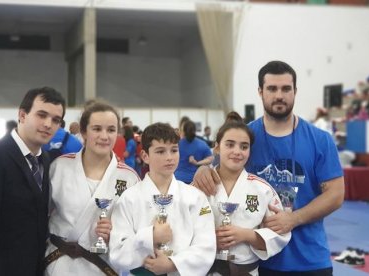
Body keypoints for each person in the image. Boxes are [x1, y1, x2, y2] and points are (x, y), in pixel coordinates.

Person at [193, 61, 344, 275]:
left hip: (309, 258)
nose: (279, 95)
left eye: (286, 88)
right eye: (272, 89)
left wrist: (294, 218)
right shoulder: (246, 138)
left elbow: (336, 195)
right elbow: (220, 168)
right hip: (257, 261)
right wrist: (204, 169)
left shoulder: (320, 139)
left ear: (295, 91)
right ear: (260, 92)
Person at [0, 87, 65, 276]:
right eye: (41, 115)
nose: (48, 124)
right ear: (22, 115)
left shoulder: (45, 159)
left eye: (55, 120)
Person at [44, 100, 140, 276]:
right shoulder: (59, 167)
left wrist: (116, 233)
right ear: (83, 132)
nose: (104, 136)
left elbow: (137, 230)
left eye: (111, 130)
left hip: (103, 266)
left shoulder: (129, 177)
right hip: (59, 265)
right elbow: (40, 216)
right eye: (97, 129)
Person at [109, 122, 216, 276]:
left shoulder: (195, 197)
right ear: (145, 156)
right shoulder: (129, 198)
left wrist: (172, 264)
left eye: (174, 150)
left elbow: (206, 247)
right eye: (160, 151)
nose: (169, 158)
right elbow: (118, 254)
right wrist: (149, 237)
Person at [207, 121, 291, 276]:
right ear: (217, 147)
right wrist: (208, 241)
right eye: (230, 145)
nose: (237, 151)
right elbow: (184, 228)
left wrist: (247, 235)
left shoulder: (262, 189)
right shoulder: (201, 185)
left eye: (244, 147)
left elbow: (281, 233)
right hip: (206, 269)